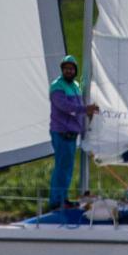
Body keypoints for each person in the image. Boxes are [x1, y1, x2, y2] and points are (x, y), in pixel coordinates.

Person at [48, 53, 99, 211]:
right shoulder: (57, 86)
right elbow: (66, 107)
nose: (69, 71)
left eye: (71, 68)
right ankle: (56, 201)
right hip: (61, 133)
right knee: (61, 169)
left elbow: (80, 106)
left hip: (72, 135)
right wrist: (86, 109)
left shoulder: (76, 85)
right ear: (62, 70)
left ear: (75, 70)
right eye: (66, 68)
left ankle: (63, 199)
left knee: (67, 170)